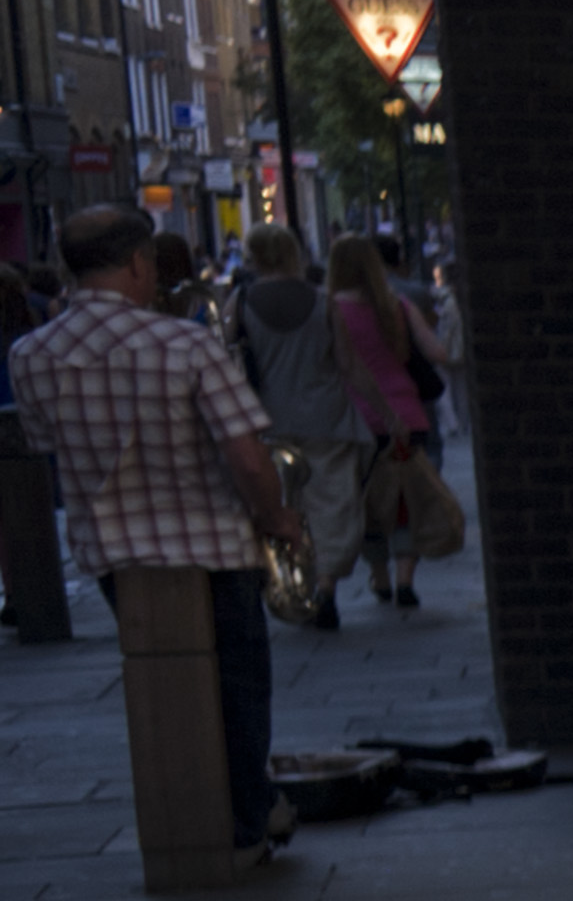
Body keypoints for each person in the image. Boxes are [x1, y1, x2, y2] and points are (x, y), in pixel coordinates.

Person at [10, 206, 299, 859]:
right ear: (139, 263)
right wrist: (277, 517)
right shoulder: (185, 343)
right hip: (213, 547)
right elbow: (247, 456)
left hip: (114, 554)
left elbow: (44, 442)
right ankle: (247, 820)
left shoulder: (29, 355)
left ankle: (186, 815)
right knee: (238, 686)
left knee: (163, 685)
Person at [232, 224, 367, 631]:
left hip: (267, 421)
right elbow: (348, 364)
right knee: (332, 505)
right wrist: (385, 413)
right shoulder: (323, 301)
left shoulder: (239, 302)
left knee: (283, 506)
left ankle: (292, 586)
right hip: (327, 419)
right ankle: (324, 586)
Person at [328, 233, 451, 607]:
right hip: (407, 415)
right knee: (404, 500)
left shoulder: (330, 309)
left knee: (367, 502)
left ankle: (379, 577)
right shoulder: (396, 305)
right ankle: (405, 579)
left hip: (355, 419)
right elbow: (437, 352)